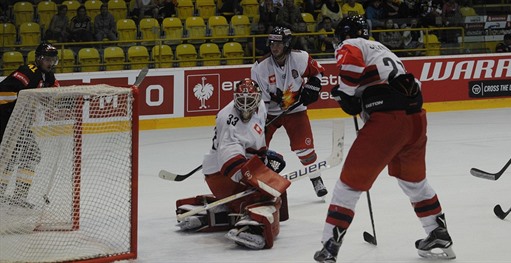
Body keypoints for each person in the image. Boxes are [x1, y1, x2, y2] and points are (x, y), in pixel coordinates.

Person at [313, 16, 456, 262]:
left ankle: (329, 246)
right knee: (414, 182)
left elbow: (353, 67)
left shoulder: (352, 44)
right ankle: (437, 231)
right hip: (415, 121)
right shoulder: (382, 49)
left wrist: (344, 93)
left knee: (348, 185)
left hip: (389, 122)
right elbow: (408, 83)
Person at [175, 78, 291, 250]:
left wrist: (264, 156)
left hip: (233, 167)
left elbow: (253, 141)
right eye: (241, 101)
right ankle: (252, 226)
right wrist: (262, 178)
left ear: (258, 98)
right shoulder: (229, 123)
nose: (245, 106)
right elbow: (232, 167)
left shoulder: (261, 107)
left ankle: (216, 213)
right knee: (271, 195)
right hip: (222, 175)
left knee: (273, 190)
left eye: (249, 101)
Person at [250, 26, 329, 198]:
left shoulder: (300, 58)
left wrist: (313, 87)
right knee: (256, 148)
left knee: (305, 150)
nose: (274, 47)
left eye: (278, 43)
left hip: (296, 110)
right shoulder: (260, 67)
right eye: (272, 43)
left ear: (286, 44)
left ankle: (316, 179)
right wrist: (260, 121)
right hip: (269, 112)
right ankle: (253, 182)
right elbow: (260, 102)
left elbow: (318, 72)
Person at [0, 42, 60, 208]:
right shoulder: (27, 72)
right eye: (48, 59)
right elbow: (3, 92)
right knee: (8, 157)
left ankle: (18, 196)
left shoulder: (48, 76)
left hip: (20, 125)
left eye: (53, 60)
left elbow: (52, 93)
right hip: (5, 122)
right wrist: (14, 110)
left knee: (31, 155)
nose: (51, 63)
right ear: (38, 59)